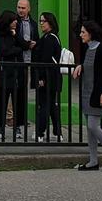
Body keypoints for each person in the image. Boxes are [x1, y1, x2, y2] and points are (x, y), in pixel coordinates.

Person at [72, 20, 102, 171]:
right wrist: (81, 66)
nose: (81, 35)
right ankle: (93, 160)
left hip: (97, 94)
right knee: (90, 129)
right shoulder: (88, 48)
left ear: (91, 34)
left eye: (83, 32)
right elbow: (91, 66)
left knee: (93, 126)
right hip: (87, 92)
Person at [0, 11, 22, 140]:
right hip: (3, 72)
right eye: (13, 20)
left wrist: (16, 39)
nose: (16, 22)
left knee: (17, 100)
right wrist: (17, 50)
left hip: (15, 72)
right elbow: (3, 51)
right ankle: (0, 127)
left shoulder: (14, 33)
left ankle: (17, 126)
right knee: (1, 100)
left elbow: (22, 45)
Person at [32, 10, 63, 142]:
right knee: (51, 105)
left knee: (44, 105)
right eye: (40, 21)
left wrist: (41, 78)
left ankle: (40, 132)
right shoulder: (49, 37)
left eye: (43, 21)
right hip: (52, 77)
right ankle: (57, 132)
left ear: (50, 22)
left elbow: (45, 59)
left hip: (48, 77)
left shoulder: (49, 38)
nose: (41, 24)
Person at [13, 0, 37, 139]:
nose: (20, 10)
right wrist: (27, 45)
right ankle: (14, 122)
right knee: (15, 92)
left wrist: (34, 44)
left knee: (23, 93)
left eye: (23, 8)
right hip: (17, 61)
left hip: (29, 62)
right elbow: (15, 40)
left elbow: (36, 39)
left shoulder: (33, 24)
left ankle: (20, 121)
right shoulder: (14, 23)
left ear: (29, 9)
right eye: (19, 7)